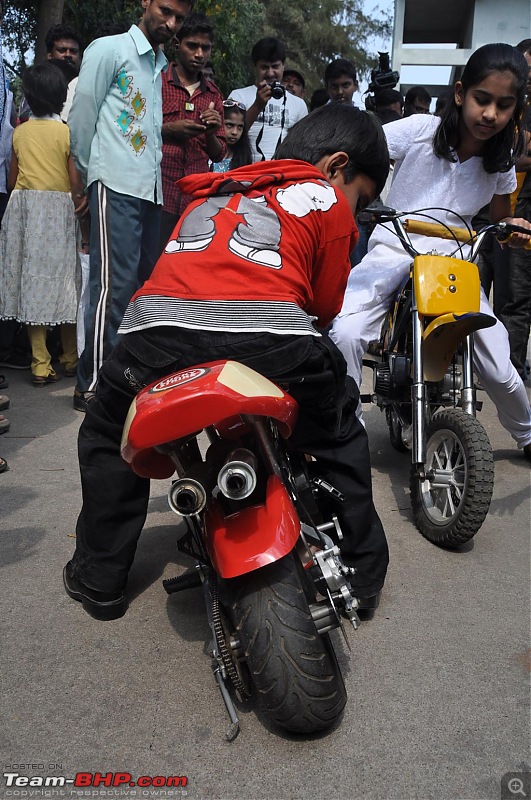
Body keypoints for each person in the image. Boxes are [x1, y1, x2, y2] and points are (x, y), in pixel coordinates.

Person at [62, 103, 391, 621]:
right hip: (271, 339)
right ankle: (361, 571)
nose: (357, 211)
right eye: (362, 198)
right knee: (337, 429)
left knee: (108, 432)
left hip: (155, 337)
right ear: (335, 168)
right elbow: (325, 308)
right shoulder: (324, 199)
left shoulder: (210, 189)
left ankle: (100, 577)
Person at [330, 43, 531, 462]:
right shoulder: (418, 129)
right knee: (345, 334)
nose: (491, 113)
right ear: (460, 94)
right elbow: (364, 147)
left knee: (499, 368)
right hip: (393, 250)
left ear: (516, 109)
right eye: (482, 99)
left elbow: (499, 218)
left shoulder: (501, 161)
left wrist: (511, 229)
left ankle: (527, 436)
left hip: (454, 266)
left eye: (504, 105)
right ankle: (348, 435)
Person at [68, 0, 193, 413]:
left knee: (141, 290)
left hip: (149, 189)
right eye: (165, 10)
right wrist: (91, 172)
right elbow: (82, 118)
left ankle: (121, 380)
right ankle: (93, 385)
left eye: (178, 18)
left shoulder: (158, 67)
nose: (170, 23)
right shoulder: (110, 49)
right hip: (115, 183)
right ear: (145, 2)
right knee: (112, 287)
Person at [0, 63, 88, 387]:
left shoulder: (20, 132)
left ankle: (40, 363)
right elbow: (75, 182)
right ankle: (70, 357)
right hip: (62, 212)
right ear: (61, 96)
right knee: (67, 283)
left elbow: (12, 182)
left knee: (32, 283)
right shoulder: (67, 132)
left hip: (25, 212)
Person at [159, 13, 226, 255]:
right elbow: (134, 130)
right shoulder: (157, 82)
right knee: (149, 266)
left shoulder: (213, 95)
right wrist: (169, 130)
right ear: (177, 45)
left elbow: (218, 155)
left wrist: (211, 133)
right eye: (192, 46)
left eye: (205, 48)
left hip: (194, 203)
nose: (199, 54)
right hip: (158, 196)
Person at [500, 39, 531, 382]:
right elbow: (508, 152)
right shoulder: (510, 107)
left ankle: (512, 369)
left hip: (518, 215)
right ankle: (506, 368)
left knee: (516, 301)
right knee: (506, 300)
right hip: (498, 213)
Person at [228, 37, 307, 162]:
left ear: (283, 66)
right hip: (246, 171)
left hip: (283, 173)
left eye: (275, 66)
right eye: (264, 67)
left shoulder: (298, 104)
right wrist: (257, 105)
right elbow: (230, 135)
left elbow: (302, 144)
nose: (270, 73)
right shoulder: (238, 96)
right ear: (255, 67)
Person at [19, 24, 83, 124]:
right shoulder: (38, 84)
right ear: (49, 55)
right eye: (62, 50)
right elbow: (25, 116)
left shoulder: (84, 85)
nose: (68, 55)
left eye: (73, 51)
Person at [211, 99, 252, 172]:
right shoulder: (203, 152)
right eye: (229, 125)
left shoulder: (243, 157)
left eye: (240, 127)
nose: (235, 132)